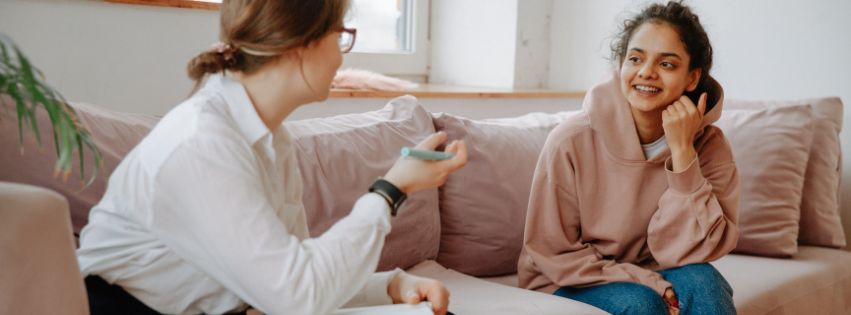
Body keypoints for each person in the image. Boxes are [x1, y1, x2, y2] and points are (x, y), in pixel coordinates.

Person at [76, 0, 467, 314]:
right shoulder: (203, 143)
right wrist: (390, 189)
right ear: (302, 45)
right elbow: (295, 296)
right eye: (341, 36)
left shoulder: (270, 139)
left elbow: (293, 276)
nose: (341, 58)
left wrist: (393, 286)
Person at [517, 1, 738, 314]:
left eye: (667, 64)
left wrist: (683, 155)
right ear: (620, 63)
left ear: (692, 78)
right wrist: (646, 281)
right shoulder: (570, 141)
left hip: (654, 268)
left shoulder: (711, 147)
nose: (646, 72)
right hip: (566, 280)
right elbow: (552, 251)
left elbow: (701, 249)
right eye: (635, 58)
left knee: (706, 283)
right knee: (640, 304)